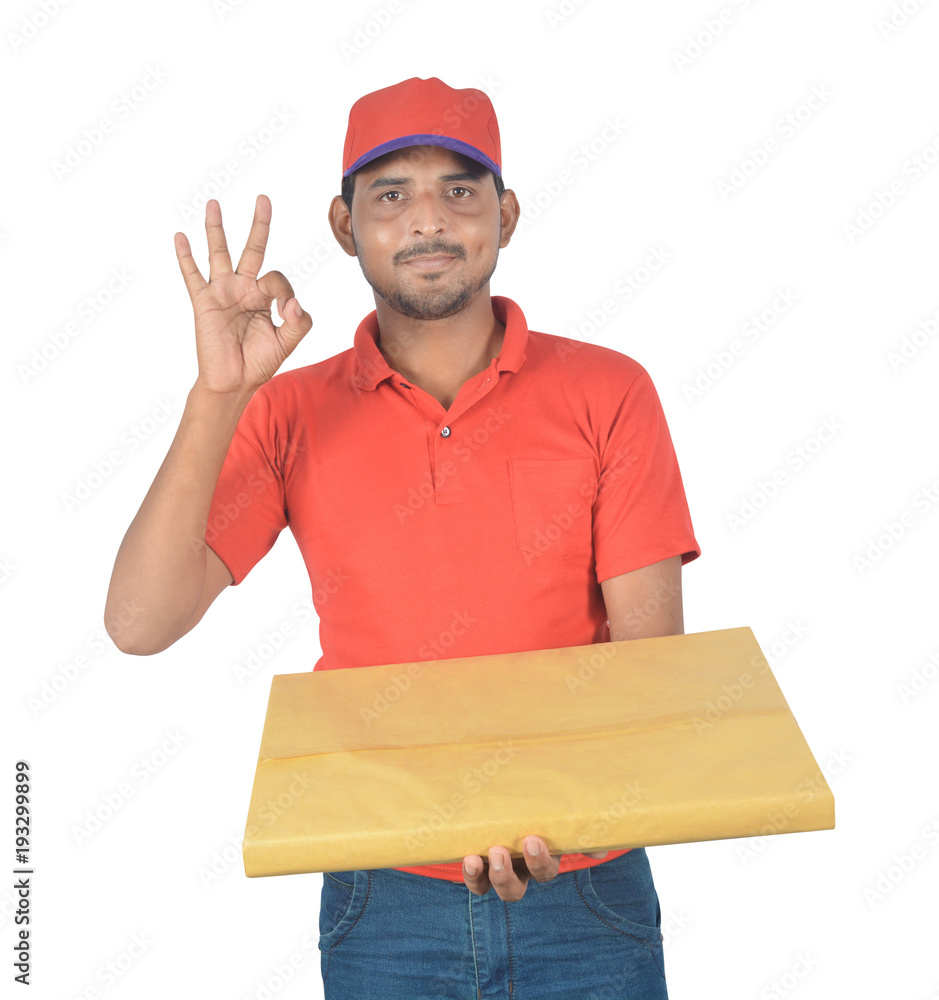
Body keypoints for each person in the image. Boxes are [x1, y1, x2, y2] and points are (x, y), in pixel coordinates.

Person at [105, 76, 700, 999]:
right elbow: (140, 621)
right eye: (390, 195)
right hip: (381, 894)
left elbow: (648, 659)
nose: (428, 220)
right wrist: (218, 398)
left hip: (584, 886)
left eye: (459, 190)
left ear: (503, 215)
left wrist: (543, 812)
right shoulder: (289, 412)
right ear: (345, 227)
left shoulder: (609, 392)